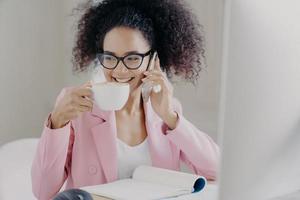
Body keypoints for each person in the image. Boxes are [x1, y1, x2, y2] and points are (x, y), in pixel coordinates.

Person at [31, 0, 219, 199]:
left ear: (153, 59)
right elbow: (43, 191)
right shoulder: (78, 108)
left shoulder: (167, 111)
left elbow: (216, 169)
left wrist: (170, 117)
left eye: (132, 58)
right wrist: (57, 121)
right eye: (110, 58)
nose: (119, 70)